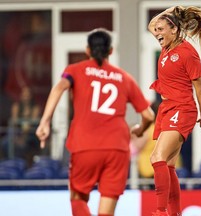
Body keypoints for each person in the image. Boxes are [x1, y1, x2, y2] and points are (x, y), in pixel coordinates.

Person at [35, 28, 154, 216]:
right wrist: (140, 130)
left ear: (87, 50)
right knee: (106, 209)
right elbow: (148, 115)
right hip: (117, 147)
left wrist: (45, 122)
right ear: (111, 51)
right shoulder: (125, 78)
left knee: (77, 198)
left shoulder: (74, 70)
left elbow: (58, 89)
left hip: (85, 145)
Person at [147, 6, 201, 216]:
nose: (157, 33)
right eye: (156, 30)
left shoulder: (187, 53)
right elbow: (151, 25)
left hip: (182, 108)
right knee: (169, 165)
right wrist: (171, 10)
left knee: (157, 158)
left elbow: (199, 87)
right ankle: (174, 213)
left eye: (161, 29)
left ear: (173, 30)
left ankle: (160, 211)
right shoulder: (167, 46)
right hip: (167, 109)